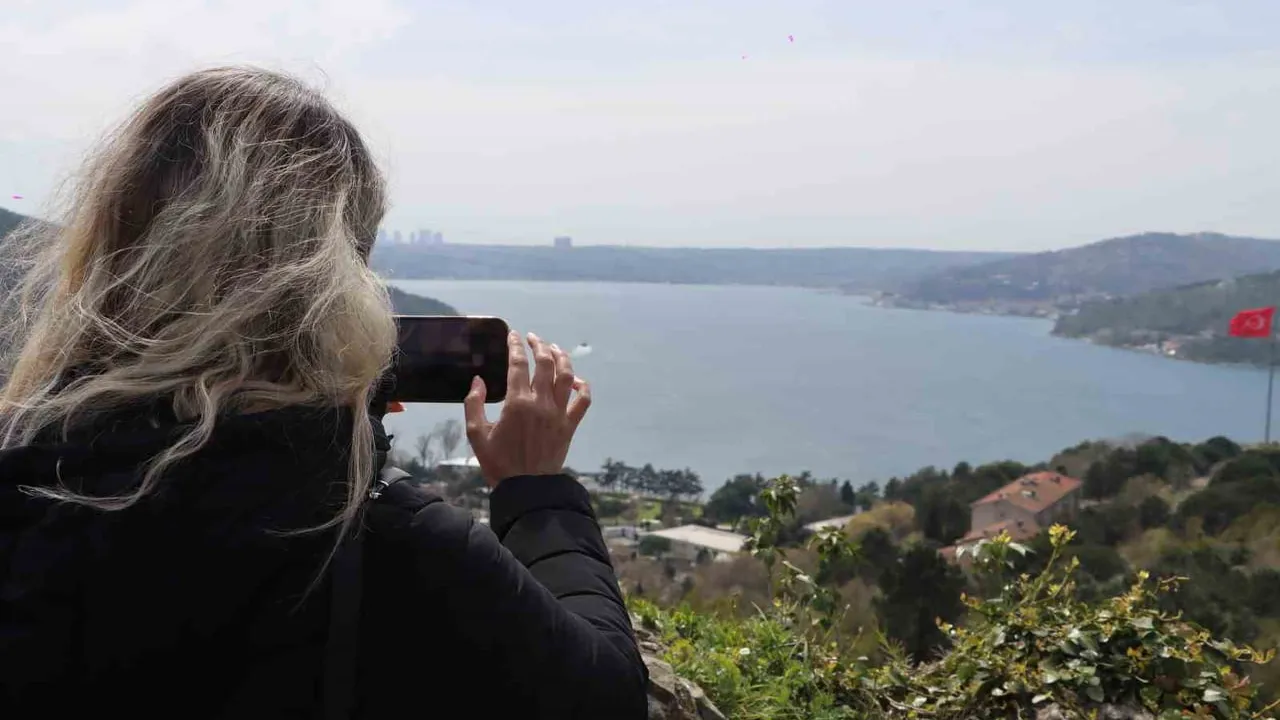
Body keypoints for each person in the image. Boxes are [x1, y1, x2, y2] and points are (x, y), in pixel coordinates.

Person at [0, 67, 647, 719]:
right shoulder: (369, 532)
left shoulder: (26, 467)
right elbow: (606, 698)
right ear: (338, 284)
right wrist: (535, 493)